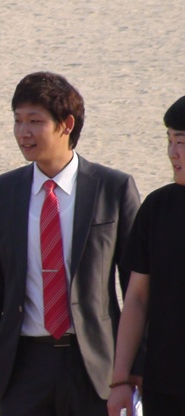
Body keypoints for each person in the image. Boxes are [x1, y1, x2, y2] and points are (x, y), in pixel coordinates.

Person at [0, 72, 141, 416]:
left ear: (66, 125)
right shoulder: (0, 193)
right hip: (23, 366)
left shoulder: (113, 188)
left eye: (35, 121)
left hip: (95, 366)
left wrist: (135, 369)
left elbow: (137, 288)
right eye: (17, 120)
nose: (23, 132)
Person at [107, 95, 185, 416]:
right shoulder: (157, 208)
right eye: (169, 140)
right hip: (165, 385)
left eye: (181, 142)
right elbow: (137, 297)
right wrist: (120, 379)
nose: (172, 153)